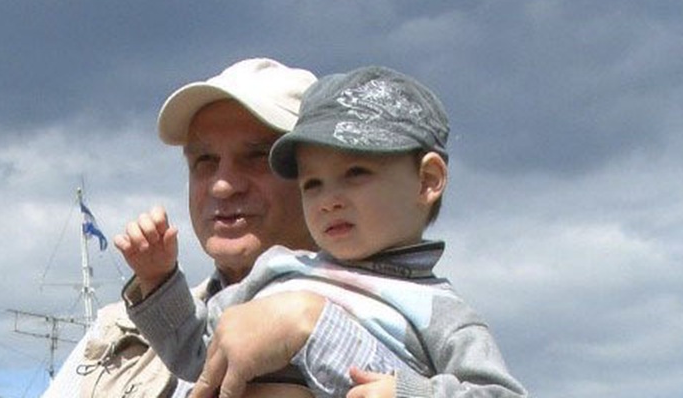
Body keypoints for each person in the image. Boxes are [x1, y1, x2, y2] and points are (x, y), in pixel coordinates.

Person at [183, 66, 529, 397]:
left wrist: (412, 393)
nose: (329, 200)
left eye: (355, 173)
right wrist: (160, 284)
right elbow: (194, 348)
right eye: (312, 183)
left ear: (428, 180)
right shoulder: (280, 269)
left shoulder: (437, 310)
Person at [39, 57, 319, 398]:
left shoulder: (369, 320)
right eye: (205, 161)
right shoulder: (119, 336)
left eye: (258, 157)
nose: (222, 186)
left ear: (318, 174)